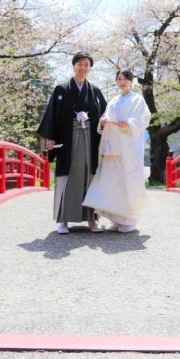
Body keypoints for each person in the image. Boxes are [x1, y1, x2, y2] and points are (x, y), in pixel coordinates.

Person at [37, 52, 108, 234]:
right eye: (80, 64)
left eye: (87, 65)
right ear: (73, 65)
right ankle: (63, 220)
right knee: (66, 178)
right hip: (67, 140)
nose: (83, 68)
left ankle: (92, 220)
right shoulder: (61, 89)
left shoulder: (95, 91)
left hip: (90, 141)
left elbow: (105, 114)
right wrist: (50, 138)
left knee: (89, 178)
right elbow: (52, 115)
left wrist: (100, 120)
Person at [82, 69, 151, 232]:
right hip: (113, 145)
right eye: (119, 79)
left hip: (129, 145)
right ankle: (117, 218)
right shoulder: (113, 100)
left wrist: (129, 122)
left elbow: (144, 119)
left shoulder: (138, 100)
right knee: (111, 180)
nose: (122, 82)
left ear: (131, 81)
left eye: (125, 79)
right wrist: (104, 121)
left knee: (128, 179)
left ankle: (129, 220)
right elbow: (105, 118)